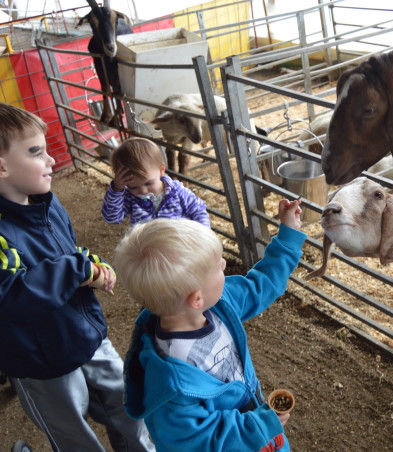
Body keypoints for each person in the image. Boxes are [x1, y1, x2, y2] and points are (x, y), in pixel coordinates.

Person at [0, 102, 155, 451]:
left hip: (88, 337)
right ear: (2, 167)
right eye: (36, 152)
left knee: (128, 408)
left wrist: (94, 264)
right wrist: (77, 268)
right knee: (75, 438)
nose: (52, 159)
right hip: (41, 362)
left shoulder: (47, 204)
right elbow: (9, 296)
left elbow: (68, 253)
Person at [116, 199, 305, 452]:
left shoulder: (217, 306)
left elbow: (261, 284)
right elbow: (201, 442)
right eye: (218, 267)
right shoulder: (171, 386)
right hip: (249, 435)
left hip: (261, 432)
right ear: (196, 298)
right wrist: (259, 425)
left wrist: (288, 234)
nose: (225, 266)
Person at [101, 137, 210, 227]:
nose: (143, 191)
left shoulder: (178, 192)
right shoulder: (130, 197)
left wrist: (204, 236)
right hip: (147, 250)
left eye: (148, 183)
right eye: (133, 187)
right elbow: (112, 218)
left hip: (180, 247)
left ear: (161, 170)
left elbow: (198, 211)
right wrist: (116, 189)